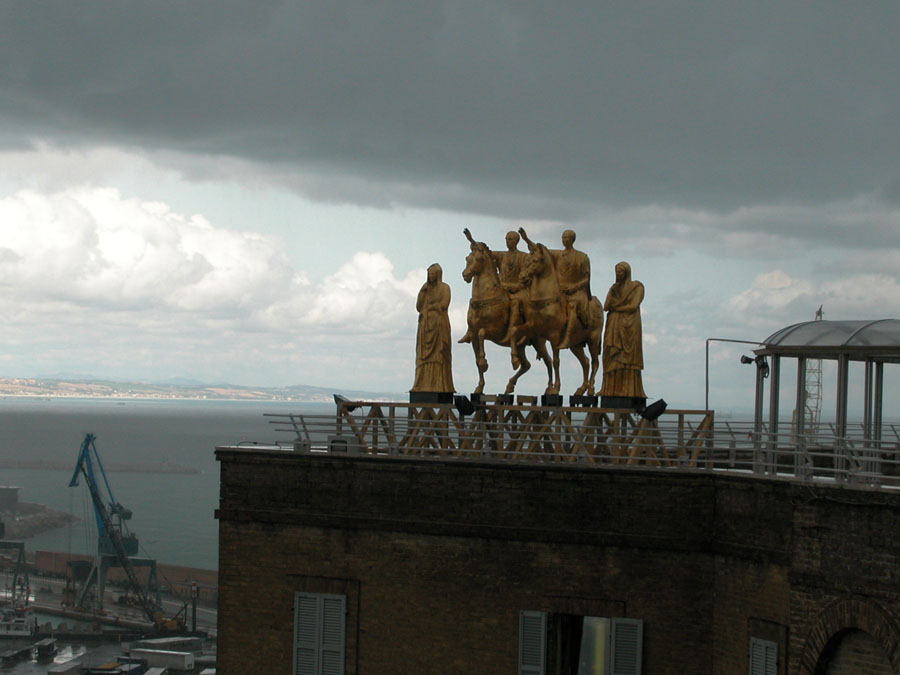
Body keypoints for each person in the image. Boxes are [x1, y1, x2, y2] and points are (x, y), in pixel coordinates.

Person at [599, 261, 646, 398]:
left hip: (630, 325)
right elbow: (606, 306)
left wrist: (617, 306)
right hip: (613, 323)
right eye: (617, 272)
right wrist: (613, 301)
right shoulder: (614, 288)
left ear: (627, 272)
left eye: (620, 272)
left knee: (628, 357)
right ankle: (609, 389)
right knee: (610, 353)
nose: (618, 274)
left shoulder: (636, 287)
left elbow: (633, 306)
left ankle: (629, 390)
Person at [411, 263, 455, 393]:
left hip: (438, 325)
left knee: (439, 354)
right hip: (425, 326)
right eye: (429, 274)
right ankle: (421, 383)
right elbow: (418, 307)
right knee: (422, 356)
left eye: (433, 273)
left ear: (438, 274)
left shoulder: (445, 288)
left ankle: (439, 384)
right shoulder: (426, 289)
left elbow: (444, 304)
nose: (431, 276)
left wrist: (430, 307)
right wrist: (422, 292)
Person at [554, 230, 591, 349]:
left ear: (572, 240)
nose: (564, 240)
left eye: (567, 238)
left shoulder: (582, 257)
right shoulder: (558, 255)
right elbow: (540, 251)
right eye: (562, 237)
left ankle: (568, 338)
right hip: (560, 292)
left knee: (572, 306)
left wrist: (574, 287)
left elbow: (586, 279)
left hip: (576, 292)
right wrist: (526, 239)